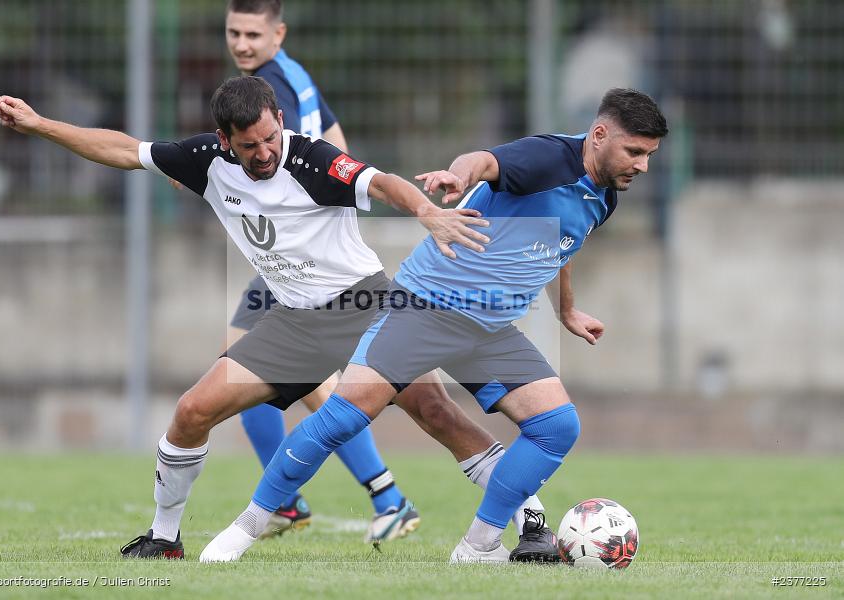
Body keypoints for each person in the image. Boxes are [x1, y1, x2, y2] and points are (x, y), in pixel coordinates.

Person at [0, 76, 554, 561]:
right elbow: (123, 149)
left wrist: (429, 212)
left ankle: (529, 517)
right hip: (296, 323)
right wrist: (41, 125)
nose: (264, 153)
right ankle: (164, 538)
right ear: (224, 142)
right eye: (249, 146)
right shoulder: (206, 162)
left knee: (435, 411)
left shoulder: (312, 160)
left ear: (279, 121)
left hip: (366, 306)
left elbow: (380, 183)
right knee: (192, 412)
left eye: (269, 138)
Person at [198, 88, 668, 564]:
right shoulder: (549, 159)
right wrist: (456, 175)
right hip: (427, 307)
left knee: (556, 425)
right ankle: (244, 530)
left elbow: (561, 244)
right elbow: (483, 161)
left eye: (648, 155)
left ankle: (478, 547)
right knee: (342, 417)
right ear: (600, 134)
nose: (642, 165)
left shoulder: (606, 194)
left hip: (490, 327)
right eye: (634, 152)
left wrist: (567, 309)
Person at [221, 0, 416, 542]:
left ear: (276, 34)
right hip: (304, 252)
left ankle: (358, 495)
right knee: (291, 375)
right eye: (234, 32)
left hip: (301, 257)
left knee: (250, 371)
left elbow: (273, 157)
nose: (242, 44)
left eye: (252, 34)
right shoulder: (293, 73)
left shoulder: (268, 92)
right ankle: (373, 495)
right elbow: (335, 137)